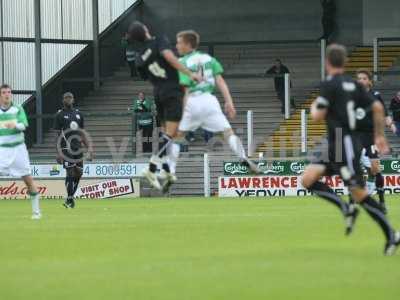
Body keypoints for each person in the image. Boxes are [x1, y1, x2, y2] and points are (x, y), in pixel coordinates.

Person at [301, 44, 400, 256]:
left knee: (358, 192)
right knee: (308, 179)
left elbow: (317, 116)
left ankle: (391, 234)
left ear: (327, 62)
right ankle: (345, 208)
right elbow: (378, 107)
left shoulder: (329, 83)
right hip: (334, 142)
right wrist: (381, 135)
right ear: (345, 63)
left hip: (344, 143)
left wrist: (314, 105)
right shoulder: (353, 85)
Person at [164, 30, 259, 193]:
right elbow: (220, 81)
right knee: (227, 132)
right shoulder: (209, 59)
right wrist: (229, 102)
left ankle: (171, 172)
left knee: (177, 137)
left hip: (192, 100)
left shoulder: (182, 62)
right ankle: (243, 158)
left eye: (179, 42)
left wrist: (181, 112)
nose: (176, 46)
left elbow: (185, 89)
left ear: (188, 44)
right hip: (210, 100)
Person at [127, 21, 201, 190]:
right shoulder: (158, 40)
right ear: (146, 30)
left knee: (165, 135)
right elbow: (169, 57)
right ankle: (152, 167)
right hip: (172, 91)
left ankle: (166, 170)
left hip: (158, 94)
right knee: (172, 134)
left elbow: (145, 76)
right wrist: (190, 74)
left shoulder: (139, 57)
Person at [0, 84, 41, 219]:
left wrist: (15, 125)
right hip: (3, 150)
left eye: (9, 92)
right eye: (4, 92)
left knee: (28, 180)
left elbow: (24, 125)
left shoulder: (17, 108)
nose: (7, 94)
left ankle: (36, 212)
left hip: (18, 149)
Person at [354, 69, 392, 213]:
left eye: (364, 78)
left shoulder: (375, 96)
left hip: (371, 137)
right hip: (357, 136)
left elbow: (385, 113)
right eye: (359, 78)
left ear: (369, 81)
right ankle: (353, 201)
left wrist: (389, 122)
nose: (361, 81)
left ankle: (382, 201)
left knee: (375, 169)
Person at [54, 92, 94, 208]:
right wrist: (59, 152)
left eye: (70, 97)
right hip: (66, 148)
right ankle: (70, 199)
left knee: (79, 173)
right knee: (70, 172)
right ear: (63, 100)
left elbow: (82, 133)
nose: (68, 99)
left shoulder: (79, 114)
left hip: (78, 148)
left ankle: (69, 198)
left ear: (73, 99)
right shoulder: (59, 115)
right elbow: (56, 135)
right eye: (66, 98)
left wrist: (89, 148)